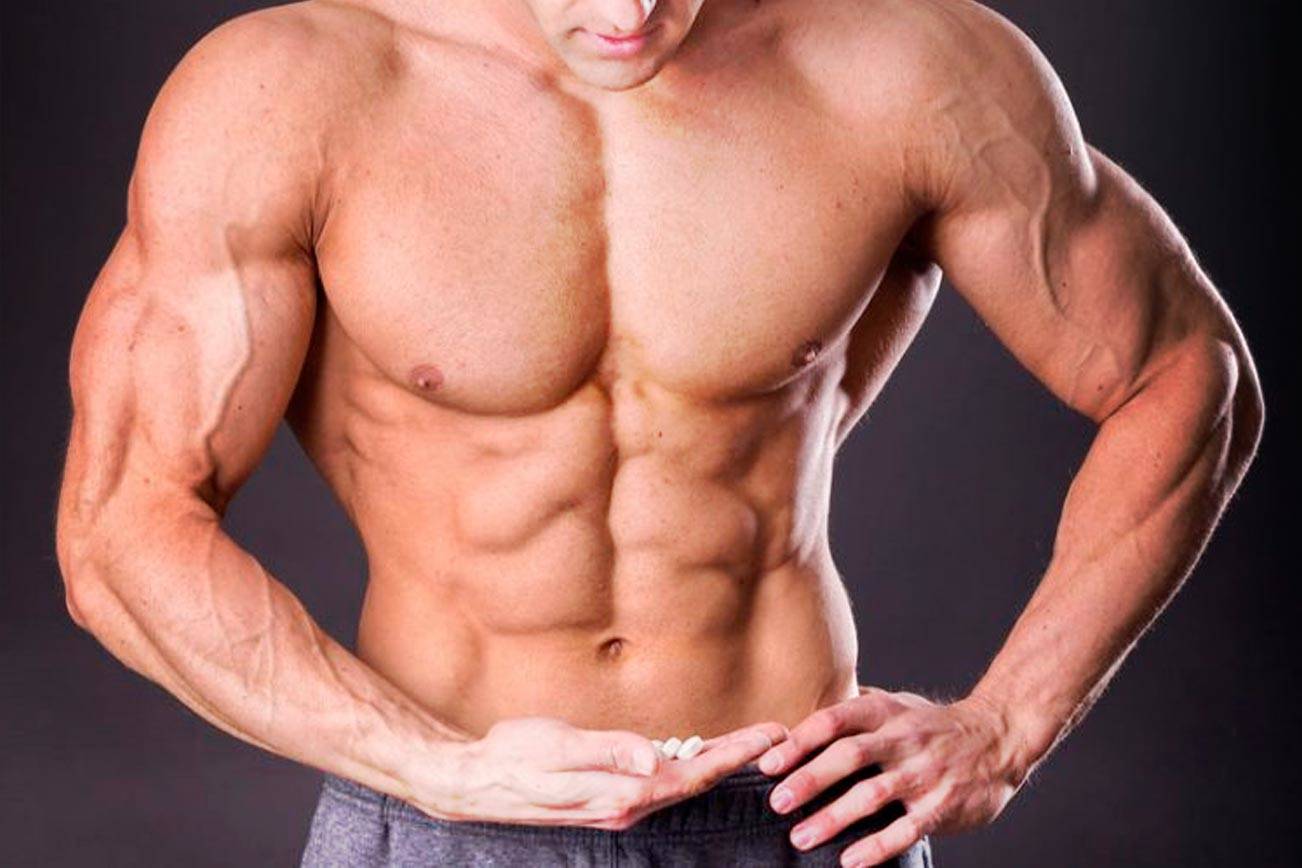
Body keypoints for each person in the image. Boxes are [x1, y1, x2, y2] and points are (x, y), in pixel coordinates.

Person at [54, 0, 1265, 865]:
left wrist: (1002, 730)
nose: (630, 13)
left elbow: (1189, 376)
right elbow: (119, 527)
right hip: (456, 814)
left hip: (803, 820)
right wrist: (425, 765)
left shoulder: (909, 69)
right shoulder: (287, 96)